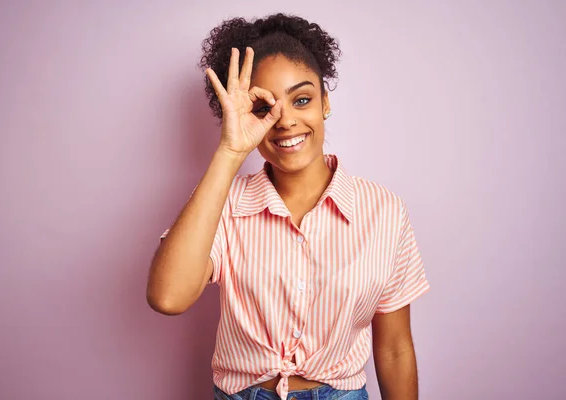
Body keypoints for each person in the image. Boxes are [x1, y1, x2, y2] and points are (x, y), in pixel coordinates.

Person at [147, 13, 430, 400]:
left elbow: (395, 349)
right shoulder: (224, 203)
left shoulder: (385, 212)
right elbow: (167, 297)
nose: (286, 121)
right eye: (265, 108)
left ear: (325, 102)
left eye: (301, 100)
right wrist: (231, 151)